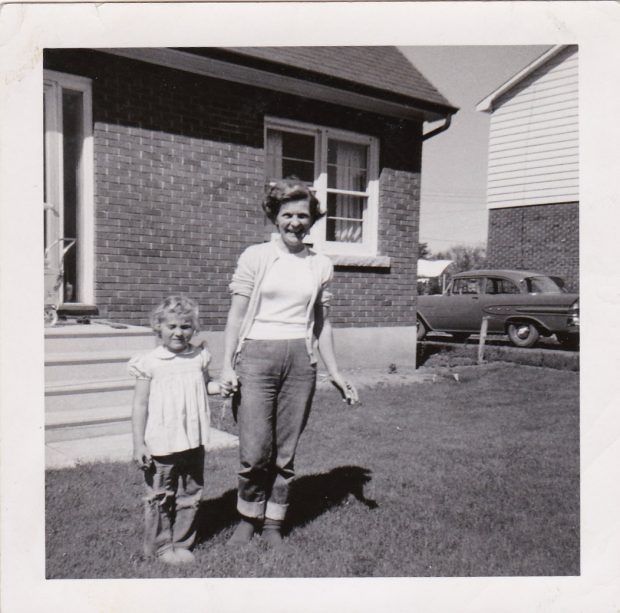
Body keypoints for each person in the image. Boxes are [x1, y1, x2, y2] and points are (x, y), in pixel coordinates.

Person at [220, 177, 359, 547]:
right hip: (256, 356)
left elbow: (322, 323)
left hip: (300, 361)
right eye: (287, 215)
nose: (295, 222)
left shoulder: (321, 265)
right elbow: (236, 315)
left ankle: (273, 524)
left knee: (285, 450)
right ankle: (247, 518)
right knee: (253, 450)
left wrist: (335, 372)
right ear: (274, 217)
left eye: (302, 215)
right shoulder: (256, 256)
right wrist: (226, 365)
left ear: (312, 219)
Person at [129, 295, 220, 566]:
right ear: (159, 328)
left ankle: (182, 542)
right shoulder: (150, 362)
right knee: (160, 496)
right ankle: (159, 547)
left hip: (193, 440)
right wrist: (139, 444)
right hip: (162, 442)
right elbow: (140, 405)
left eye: (185, 326)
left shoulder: (199, 356)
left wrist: (221, 387)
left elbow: (207, 385)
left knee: (191, 494)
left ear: (194, 328)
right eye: (172, 326)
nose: (178, 332)